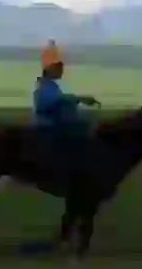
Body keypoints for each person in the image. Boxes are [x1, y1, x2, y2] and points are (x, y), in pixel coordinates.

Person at [32, 39, 100, 183]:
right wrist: (76, 99)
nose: (62, 70)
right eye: (59, 67)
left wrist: (76, 100)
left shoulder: (51, 86)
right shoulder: (45, 87)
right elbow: (50, 103)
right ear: (50, 69)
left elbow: (60, 100)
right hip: (50, 126)